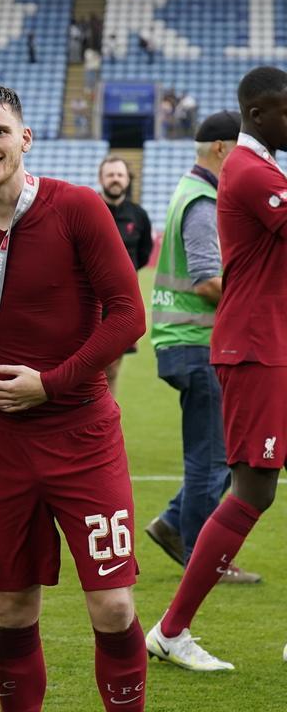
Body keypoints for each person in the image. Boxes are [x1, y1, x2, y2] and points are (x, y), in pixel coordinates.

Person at [0, 84, 153, 712]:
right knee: (10, 604)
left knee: (114, 602)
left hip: (81, 435)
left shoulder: (76, 208)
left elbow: (128, 312)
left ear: (25, 138)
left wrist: (54, 383)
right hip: (0, 442)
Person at [146, 66, 287, 671]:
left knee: (248, 487)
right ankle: (171, 630)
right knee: (250, 490)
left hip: (270, 344)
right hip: (256, 350)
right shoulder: (252, 172)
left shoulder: (262, 167)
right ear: (257, 115)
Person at [145, 111, 260, 586]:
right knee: (212, 459)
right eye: (242, 152)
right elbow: (207, 280)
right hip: (196, 343)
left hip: (182, 343)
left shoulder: (190, 192)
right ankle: (201, 556)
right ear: (220, 149)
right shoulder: (205, 201)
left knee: (211, 454)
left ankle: (173, 526)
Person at [98, 155, 151, 395]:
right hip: (91, 302)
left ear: (128, 179)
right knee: (87, 368)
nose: (115, 179)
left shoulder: (139, 215)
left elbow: (144, 254)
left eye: (120, 175)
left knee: (112, 368)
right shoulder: (89, 209)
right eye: (110, 175)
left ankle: (106, 421)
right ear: (101, 179)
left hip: (122, 303)